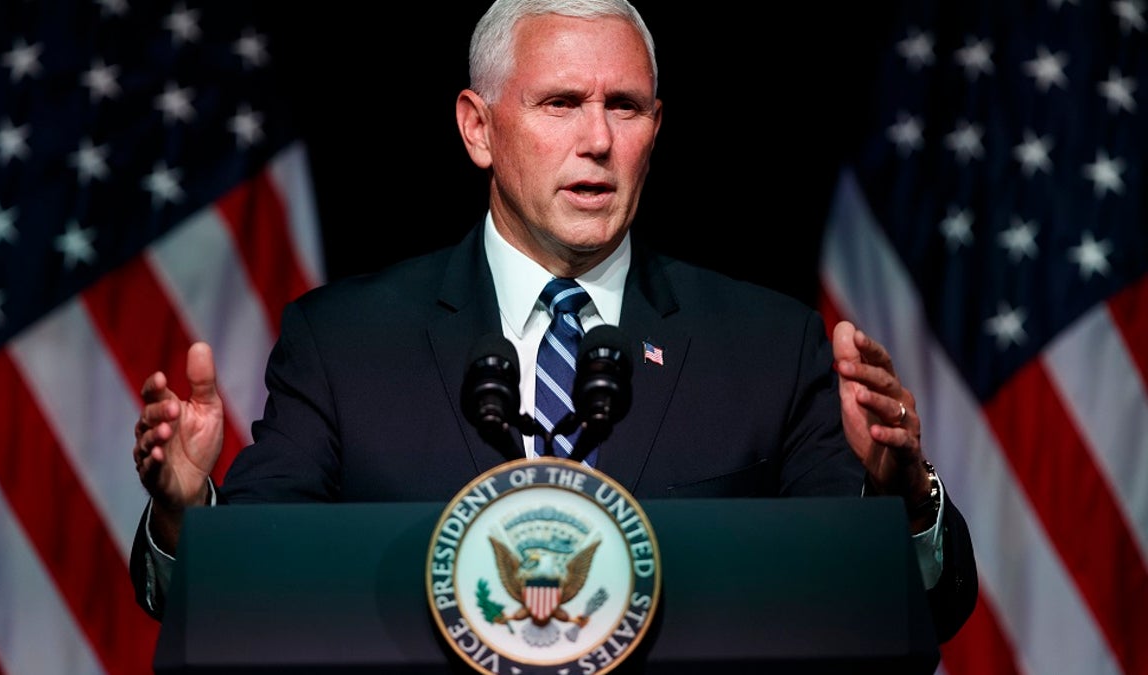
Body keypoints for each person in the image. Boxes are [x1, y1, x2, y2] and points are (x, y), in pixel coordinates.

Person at [130, 0, 978, 647]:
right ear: (478, 129)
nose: (599, 139)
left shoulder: (765, 345)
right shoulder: (346, 343)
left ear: (656, 128)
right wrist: (184, 513)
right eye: (561, 102)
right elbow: (246, 592)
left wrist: (899, 499)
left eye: (628, 106)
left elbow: (907, 614)